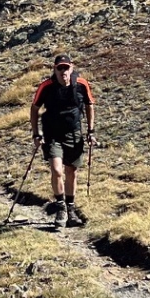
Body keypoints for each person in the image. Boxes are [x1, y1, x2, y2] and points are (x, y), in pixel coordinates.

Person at [28, 53, 94, 226]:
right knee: (57, 170)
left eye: (66, 68)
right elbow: (34, 108)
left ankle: (71, 210)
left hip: (74, 134)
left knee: (71, 171)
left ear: (72, 68)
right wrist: (36, 133)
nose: (63, 71)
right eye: (60, 68)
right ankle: (60, 208)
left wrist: (91, 131)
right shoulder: (46, 86)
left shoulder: (81, 84)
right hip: (52, 135)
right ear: (55, 69)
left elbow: (89, 105)